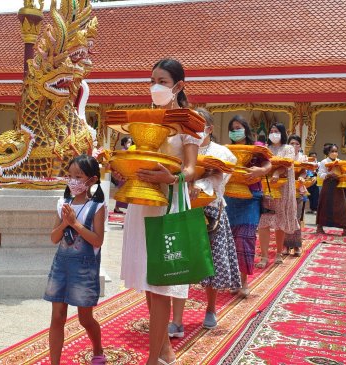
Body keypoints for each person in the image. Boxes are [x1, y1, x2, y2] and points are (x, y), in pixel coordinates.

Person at [117, 58, 198, 365]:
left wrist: (171, 178)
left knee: (162, 281)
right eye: (152, 80)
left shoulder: (188, 121)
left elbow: (191, 169)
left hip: (169, 201)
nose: (155, 86)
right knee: (148, 282)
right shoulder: (145, 118)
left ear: (178, 86)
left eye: (162, 81)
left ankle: (153, 359)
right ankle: (164, 349)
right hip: (142, 203)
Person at [168, 108, 240, 336]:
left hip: (211, 212)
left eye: (200, 126)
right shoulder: (181, 149)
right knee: (181, 265)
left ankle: (210, 309)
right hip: (183, 208)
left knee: (212, 264)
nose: (196, 131)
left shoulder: (222, 152)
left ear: (209, 128)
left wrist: (199, 184)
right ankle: (177, 321)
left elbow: (221, 177)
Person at [46, 155, 106, 365]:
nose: (73, 181)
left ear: (91, 180)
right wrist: (65, 223)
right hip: (61, 266)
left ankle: (98, 349)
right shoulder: (63, 203)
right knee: (57, 317)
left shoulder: (96, 206)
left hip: (84, 269)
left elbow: (98, 240)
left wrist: (76, 224)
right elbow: (54, 238)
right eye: (70, 176)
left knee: (85, 319)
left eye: (78, 177)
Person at [224, 115, 272, 297]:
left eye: (238, 127)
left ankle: (244, 281)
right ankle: (234, 279)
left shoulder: (257, 148)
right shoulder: (228, 149)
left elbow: (268, 163)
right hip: (230, 197)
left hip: (251, 197)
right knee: (231, 240)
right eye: (232, 128)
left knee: (245, 239)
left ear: (245, 129)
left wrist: (261, 170)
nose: (235, 131)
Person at [257, 123, 296, 267]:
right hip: (266, 188)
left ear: (282, 133)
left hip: (282, 190)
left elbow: (288, 165)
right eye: (271, 131)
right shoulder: (265, 149)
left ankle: (279, 253)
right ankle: (264, 256)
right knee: (263, 221)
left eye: (276, 131)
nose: (273, 133)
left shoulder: (288, 148)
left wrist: (276, 172)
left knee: (280, 221)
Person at [316, 143, 346, 236]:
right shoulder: (324, 162)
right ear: (328, 152)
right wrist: (328, 175)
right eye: (332, 151)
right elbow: (320, 174)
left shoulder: (340, 161)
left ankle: (345, 230)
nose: (334, 153)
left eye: (336, 151)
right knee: (324, 205)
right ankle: (319, 228)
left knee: (341, 206)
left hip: (338, 185)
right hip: (328, 185)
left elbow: (343, 171)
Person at [284, 135, 308, 256]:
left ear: (300, 146)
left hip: (298, 190)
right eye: (292, 143)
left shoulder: (303, 158)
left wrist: (302, 177)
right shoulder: (284, 157)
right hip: (285, 190)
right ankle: (286, 246)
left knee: (296, 218)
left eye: (297, 143)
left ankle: (297, 246)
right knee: (287, 217)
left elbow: (305, 172)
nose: (294, 146)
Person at [112, 136, 133, 214]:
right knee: (122, 191)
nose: (130, 144)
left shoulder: (128, 151)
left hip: (127, 174)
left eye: (130, 143)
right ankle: (116, 208)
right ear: (124, 143)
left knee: (125, 191)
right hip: (123, 173)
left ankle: (117, 207)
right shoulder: (123, 151)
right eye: (128, 142)